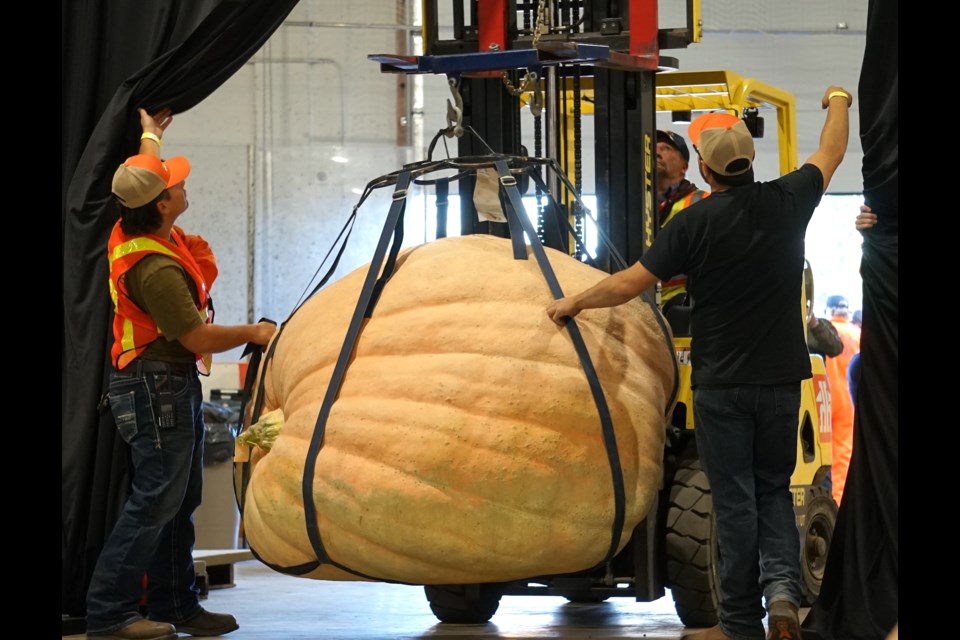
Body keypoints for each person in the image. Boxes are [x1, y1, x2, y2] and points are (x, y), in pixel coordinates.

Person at [547, 85, 852, 640]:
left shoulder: (691, 224)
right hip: (782, 382)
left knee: (733, 501)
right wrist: (836, 102)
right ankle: (784, 593)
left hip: (720, 385)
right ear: (749, 163)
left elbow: (628, 284)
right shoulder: (788, 199)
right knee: (773, 492)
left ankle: (739, 621)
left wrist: (572, 301)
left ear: (706, 174)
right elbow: (830, 153)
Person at [85, 108, 276, 640]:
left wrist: (151, 134)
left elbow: (143, 171)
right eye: (173, 183)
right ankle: (109, 614)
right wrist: (253, 334)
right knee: (156, 499)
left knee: (178, 499)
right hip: (154, 386)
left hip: (163, 383)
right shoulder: (156, 268)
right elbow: (195, 339)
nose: (180, 182)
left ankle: (176, 604)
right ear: (162, 205)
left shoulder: (136, 216)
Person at [656, 129, 709, 311]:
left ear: (684, 166)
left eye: (666, 149)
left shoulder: (702, 202)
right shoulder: (631, 207)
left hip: (686, 306)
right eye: (653, 148)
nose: (657, 152)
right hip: (641, 304)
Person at [823, 294, 861, 505]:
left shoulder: (825, 329)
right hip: (848, 399)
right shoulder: (858, 334)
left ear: (829, 310)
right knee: (843, 454)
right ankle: (840, 503)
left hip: (824, 397)